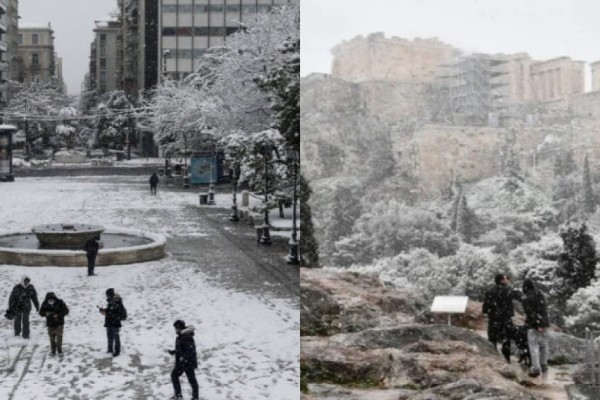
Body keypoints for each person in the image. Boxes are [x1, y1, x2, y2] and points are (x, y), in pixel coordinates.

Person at [482, 273, 521, 363]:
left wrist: (489, 313)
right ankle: (506, 359)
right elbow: (519, 297)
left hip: (493, 319)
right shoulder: (508, 290)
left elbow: (485, 308)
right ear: (501, 280)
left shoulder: (490, 291)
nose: (507, 280)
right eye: (506, 278)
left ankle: (493, 358)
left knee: (492, 339)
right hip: (505, 318)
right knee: (506, 339)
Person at [521, 278, 550, 378]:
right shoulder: (539, 294)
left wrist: (537, 324)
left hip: (534, 324)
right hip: (544, 322)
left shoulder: (526, 298)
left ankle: (536, 368)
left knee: (534, 346)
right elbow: (543, 309)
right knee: (544, 345)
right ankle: (544, 365)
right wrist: (542, 323)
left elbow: (530, 312)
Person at [168, 320, 199, 400]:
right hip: (182, 362)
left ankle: (195, 397)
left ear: (179, 328)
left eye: (175, 328)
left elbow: (190, 351)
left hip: (188, 362)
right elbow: (182, 349)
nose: (175, 330)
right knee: (174, 375)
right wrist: (174, 352)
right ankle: (178, 395)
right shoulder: (181, 336)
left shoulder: (186, 337)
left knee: (192, 380)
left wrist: (184, 359)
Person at [39, 292, 69, 356]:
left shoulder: (60, 302)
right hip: (50, 324)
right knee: (52, 338)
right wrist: (45, 313)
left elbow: (66, 311)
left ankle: (59, 350)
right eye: (49, 300)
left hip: (59, 323)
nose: (51, 301)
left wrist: (58, 315)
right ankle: (53, 350)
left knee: (59, 336)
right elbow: (41, 313)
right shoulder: (44, 304)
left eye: (52, 299)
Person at [99, 288, 127, 357]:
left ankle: (117, 351)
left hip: (115, 323)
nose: (107, 296)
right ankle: (110, 349)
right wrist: (104, 311)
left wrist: (108, 312)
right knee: (109, 337)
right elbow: (110, 311)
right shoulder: (110, 301)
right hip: (109, 322)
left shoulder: (117, 302)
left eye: (107, 295)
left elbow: (117, 313)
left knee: (116, 338)